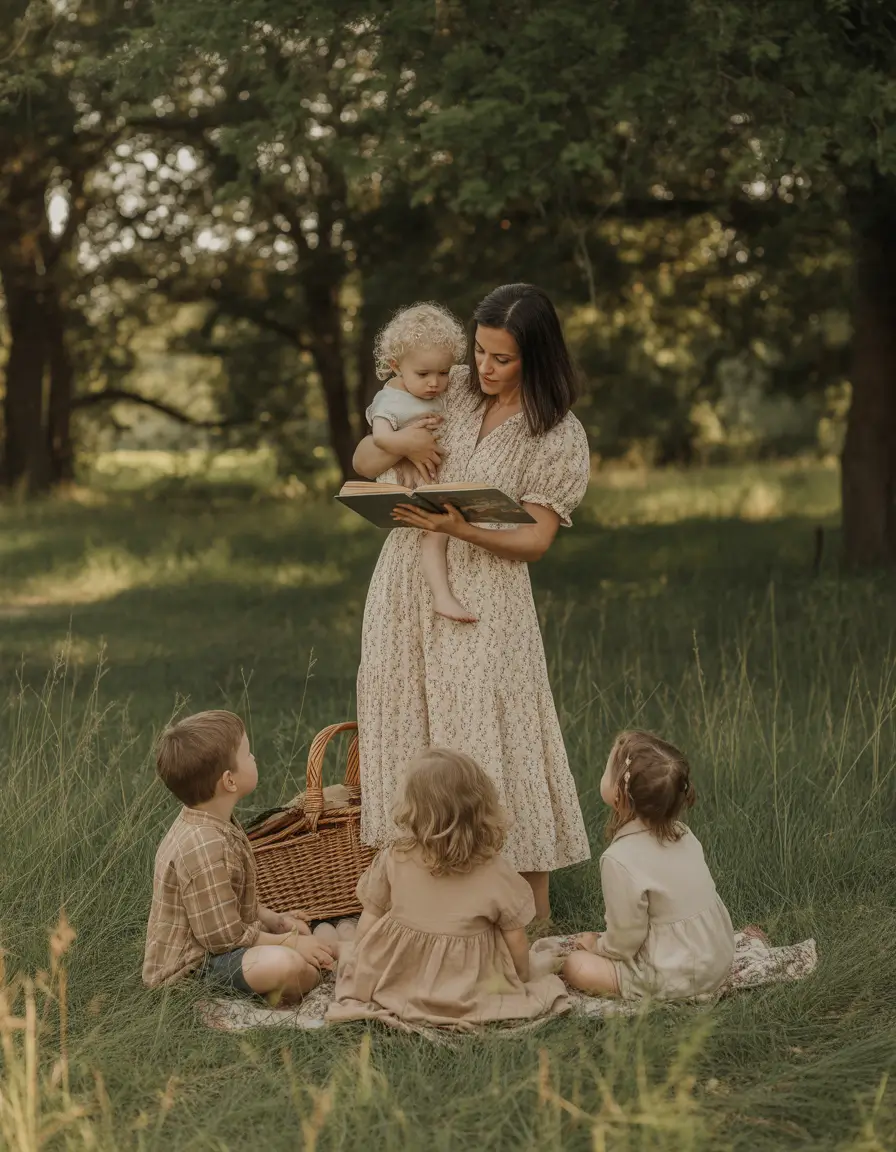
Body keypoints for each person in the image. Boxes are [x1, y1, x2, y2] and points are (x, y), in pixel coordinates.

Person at [353, 283, 592, 921]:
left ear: (536, 359)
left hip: (485, 595)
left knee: (493, 740)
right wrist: (399, 447)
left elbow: (536, 538)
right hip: (405, 582)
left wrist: (458, 529)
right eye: (480, 351)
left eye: (502, 358)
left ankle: (524, 916)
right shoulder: (444, 385)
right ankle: (418, 913)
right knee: (407, 729)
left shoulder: (556, 434)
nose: (483, 368)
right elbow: (367, 456)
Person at [326, 748, 568, 1030]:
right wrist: (521, 977)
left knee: (349, 947)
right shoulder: (495, 870)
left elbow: (370, 916)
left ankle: (349, 954)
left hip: (403, 976)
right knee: (526, 971)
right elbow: (515, 940)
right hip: (468, 981)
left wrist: (360, 960)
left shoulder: (394, 857)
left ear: (411, 810)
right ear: (480, 809)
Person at [142, 710, 337, 1004]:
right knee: (291, 966)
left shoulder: (215, 822)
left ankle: (310, 957)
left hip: (219, 947)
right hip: (194, 968)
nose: (254, 758)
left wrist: (274, 920)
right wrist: (291, 944)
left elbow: (229, 901)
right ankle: (311, 970)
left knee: (298, 938)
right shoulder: (202, 847)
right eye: (248, 754)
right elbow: (224, 941)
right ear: (229, 781)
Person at [562, 730, 735, 1000]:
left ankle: (658, 987)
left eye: (608, 768)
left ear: (620, 791)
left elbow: (625, 940)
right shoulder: (683, 833)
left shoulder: (620, 859)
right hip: (717, 958)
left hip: (675, 975)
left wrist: (597, 946)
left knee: (576, 966)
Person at [367, 301, 475, 622]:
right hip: (406, 478)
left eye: (443, 373)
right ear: (396, 365)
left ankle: (439, 597)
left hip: (428, 475)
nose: (434, 383)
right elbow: (381, 437)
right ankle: (442, 596)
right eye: (424, 373)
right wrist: (410, 445)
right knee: (436, 533)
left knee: (437, 532)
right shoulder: (389, 399)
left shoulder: (433, 393)